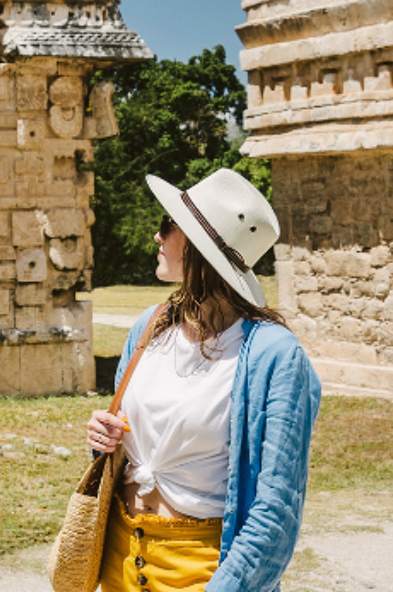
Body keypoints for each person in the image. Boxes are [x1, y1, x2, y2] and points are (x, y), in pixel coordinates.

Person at [83, 168, 321, 592]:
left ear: (196, 245)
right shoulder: (149, 326)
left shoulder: (275, 356)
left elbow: (276, 512)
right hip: (119, 562)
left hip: (202, 575)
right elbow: (125, 455)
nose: (157, 236)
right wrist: (104, 437)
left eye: (167, 224)